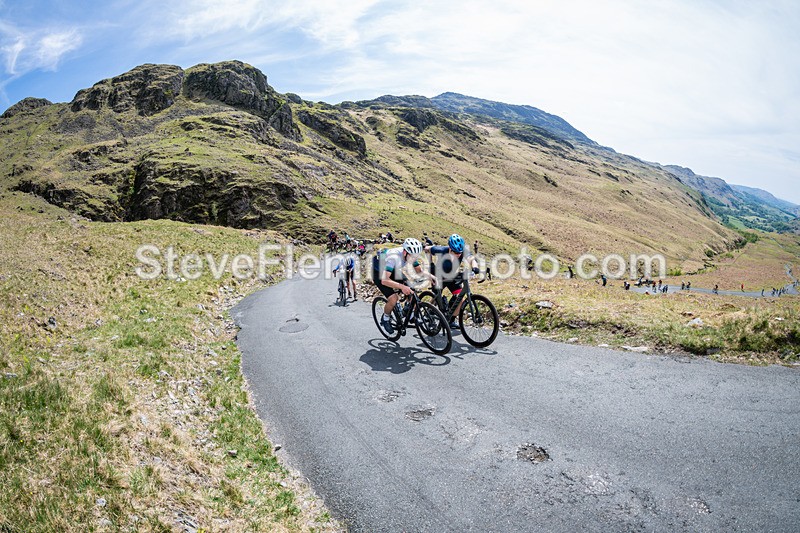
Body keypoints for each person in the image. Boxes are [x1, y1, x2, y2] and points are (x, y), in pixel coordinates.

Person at [373, 238, 433, 334]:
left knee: (411, 288)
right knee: (393, 298)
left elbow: (419, 271)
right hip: (378, 273)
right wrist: (402, 287)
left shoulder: (410, 254)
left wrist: (431, 277)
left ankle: (411, 313)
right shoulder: (394, 257)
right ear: (405, 252)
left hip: (392, 269)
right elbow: (384, 280)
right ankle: (385, 318)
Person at [425, 233, 479, 328]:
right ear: (450, 249)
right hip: (438, 276)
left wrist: (475, 268)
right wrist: (430, 266)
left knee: (460, 299)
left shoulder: (462, 251)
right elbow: (427, 249)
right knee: (437, 297)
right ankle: (427, 312)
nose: (458, 255)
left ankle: (450, 320)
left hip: (452, 276)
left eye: (460, 253)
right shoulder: (441, 250)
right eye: (455, 252)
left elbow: (471, 259)